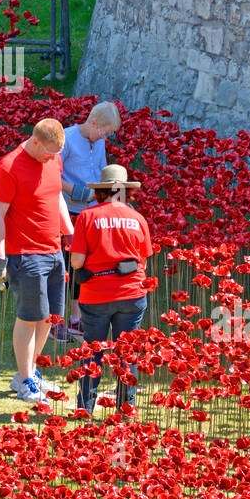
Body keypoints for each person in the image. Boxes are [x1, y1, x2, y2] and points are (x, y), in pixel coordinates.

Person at [0, 118, 73, 403]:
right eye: (48, 152)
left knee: (49, 317)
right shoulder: (8, 167)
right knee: (29, 317)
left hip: (54, 250)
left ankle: (30, 371)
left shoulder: (53, 161)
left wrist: (69, 231)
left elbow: (57, 196)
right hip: (25, 253)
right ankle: (25, 380)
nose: (52, 158)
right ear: (35, 141)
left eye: (56, 154)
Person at [69, 164, 153, 414]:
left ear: (101, 191)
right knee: (127, 351)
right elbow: (144, 260)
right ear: (126, 192)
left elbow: (76, 262)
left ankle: (86, 406)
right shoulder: (138, 218)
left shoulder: (88, 216)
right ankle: (126, 408)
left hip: (96, 295)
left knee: (93, 348)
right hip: (132, 294)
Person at [58, 100, 122, 337]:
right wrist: (72, 189)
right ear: (93, 122)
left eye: (109, 134)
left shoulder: (100, 143)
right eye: (104, 131)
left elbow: (102, 170)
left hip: (91, 213)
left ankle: (76, 317)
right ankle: (56, 319)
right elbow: (50, 173)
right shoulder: (66, 138)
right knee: (63, 266)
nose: (106, 137)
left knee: (82, 266)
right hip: (68, 213)